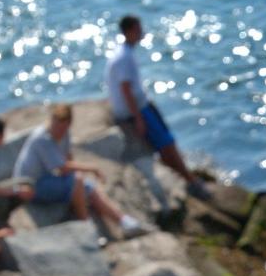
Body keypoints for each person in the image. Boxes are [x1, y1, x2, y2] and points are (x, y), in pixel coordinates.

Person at [105, 14, 211, 200]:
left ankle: (186, 177)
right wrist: (138, 117)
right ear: (129, 31)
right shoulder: (124, 58)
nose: (142, 33)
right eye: (138, 29)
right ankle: (191, 181)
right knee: (167, 143)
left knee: (166, 143)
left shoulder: (123, 53)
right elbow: (126, 89)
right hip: (137, 110)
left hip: (140, 106)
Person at [14, 103, 151, 238]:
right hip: (31, 187)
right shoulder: (42, 139)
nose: (59, 131)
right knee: (78, 181)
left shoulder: (64, 134)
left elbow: (67, 159)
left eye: (62, 128)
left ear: (68, 124)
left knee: (88, 187)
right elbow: (62, 167)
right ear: (51, 121)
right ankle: (87, 229)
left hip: (48, 179)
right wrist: (92, 169)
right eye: (56, 126)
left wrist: (79, 186)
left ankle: (125, 222)